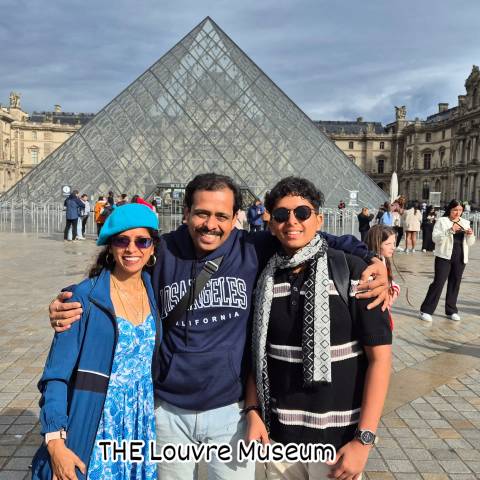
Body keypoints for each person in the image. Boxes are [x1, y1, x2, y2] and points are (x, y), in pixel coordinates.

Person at [49, 174, 389, 480]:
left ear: (235, 218)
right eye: (201, 213)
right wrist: (70, 301)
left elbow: (308, 233)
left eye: (221, 216)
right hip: (167, 410)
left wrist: (373, 259)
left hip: (231, 412)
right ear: (186, 213)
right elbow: (119, 273)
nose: (210, 224)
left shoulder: (252, 247)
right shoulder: (160, 251)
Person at [249, 177, 392, 480]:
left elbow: (381, 359)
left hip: (338, 446)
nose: (292, 221)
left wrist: (363, 440)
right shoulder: (262, 276)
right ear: (270, 223)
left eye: (302, 213)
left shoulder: (356, 272)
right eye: (281, 215)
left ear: (318, 219)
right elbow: (253, 351)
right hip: (278, 443)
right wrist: (252, 411)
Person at [32, 204, 161, 480]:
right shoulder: (82, 299)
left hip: (141, 422)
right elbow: (55, 376)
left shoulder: (155, 291)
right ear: (110, 246)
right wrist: (55, 441)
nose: (131, 249)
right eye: (121, 240)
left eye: (142, 241)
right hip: (98, 421)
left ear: (152, 248)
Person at [419, 200, 476, 323]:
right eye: (455, 210)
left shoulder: (465, 222)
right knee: (438, 283)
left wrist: (470, 235)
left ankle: (451, 310)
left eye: (460, 210)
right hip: (444, 256)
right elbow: (435, 239)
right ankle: (426, 310)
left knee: (455, 283)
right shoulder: (442, 221)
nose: (458, 212)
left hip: (460, 257)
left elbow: (470, 243)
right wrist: (450, 230)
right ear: (450, 209)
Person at [366, 225, 401, 329]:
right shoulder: (372, 266)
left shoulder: (383, 259)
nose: (393, 247)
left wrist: (394, 288)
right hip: (375, 314)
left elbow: (389, 283)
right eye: (388, 244)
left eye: (394, 243)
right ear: (376, 244)